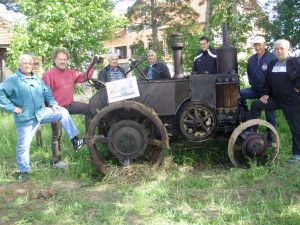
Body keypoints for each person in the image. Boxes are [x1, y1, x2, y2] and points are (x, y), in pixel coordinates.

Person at [0, 54, 85, 181]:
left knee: (62, 112)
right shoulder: (13, 80)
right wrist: (12, 107)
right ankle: (24, 172)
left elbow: (47, 92)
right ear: (19, 65)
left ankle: (75, 140)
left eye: (30, 63)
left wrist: (53, 103)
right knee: (23, 146)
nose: (28, 65)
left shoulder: (36, 79)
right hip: (26, 118)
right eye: (25, 63)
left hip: (41, 113)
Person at [249, 39, 300, 163]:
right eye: (277, 49)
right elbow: (268, 81)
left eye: (282, 48)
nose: (279, 51)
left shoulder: (295, 61)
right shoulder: (272, 63)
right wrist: (266, 94)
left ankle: (297, 154)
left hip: (291, 101)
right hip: (276, 99)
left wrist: (298, 86)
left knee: (295, 127)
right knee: (256, 105)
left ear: (288, 49)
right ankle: (252, 134)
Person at [43, 48, 95, 169]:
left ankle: (87, 138)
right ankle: (57, 161)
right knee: (57, 135)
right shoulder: (48, 74)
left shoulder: (70, 72)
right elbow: (45, 93)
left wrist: (92, 65)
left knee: (88, 109)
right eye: (60, 59)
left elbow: (84, 76)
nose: (63, 61)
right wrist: (51, 106)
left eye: (65, 59)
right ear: (55, 60)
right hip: (56, 109)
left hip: (69, 105)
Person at [240, 36, 277, 129]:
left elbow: (275, 78)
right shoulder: (251, 59)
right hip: (255, 90)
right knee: (239, 94)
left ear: (265, 45)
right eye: (255, 45)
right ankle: (247, 114)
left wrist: (268, 94)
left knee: (270, 115)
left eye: (259, 45)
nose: (257, 47)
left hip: (269, 93)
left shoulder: (272, 58)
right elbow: (249, 74)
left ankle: (271, 138)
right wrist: (253, 84)